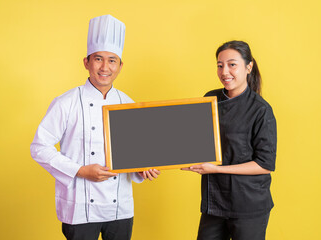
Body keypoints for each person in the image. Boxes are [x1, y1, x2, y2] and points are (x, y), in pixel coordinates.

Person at [30, 15, 160, 240]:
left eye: (112, 60)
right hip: (80, 207)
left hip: (119, 207)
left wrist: (141, 169)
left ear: (120, 65)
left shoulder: (128, 104)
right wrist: (80, 171)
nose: (104, 67)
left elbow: (134, 154)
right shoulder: (66, 102)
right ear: (86, 62)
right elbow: (39, 147)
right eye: (98, 59)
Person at [183, 40, 277, 240]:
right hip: (214, 201)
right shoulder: (210, 99)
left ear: (248, 67)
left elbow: (265, 164)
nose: (224, 71)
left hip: (248, 204)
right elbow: (194, 139)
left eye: (232, 64)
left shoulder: (261, 110)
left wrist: (216, 169)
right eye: (220, 65)